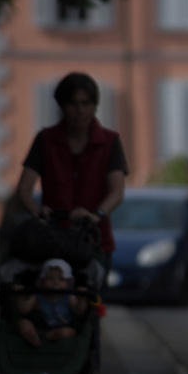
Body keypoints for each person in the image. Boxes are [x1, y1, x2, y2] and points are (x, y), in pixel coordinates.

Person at [16, 72, 128, 274]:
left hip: (93, 240)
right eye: (73, 104)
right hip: (52, 239)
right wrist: (38, 210)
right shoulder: (46, 140)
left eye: (86, 104)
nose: (80, 111)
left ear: (95, 106)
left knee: (89, 297)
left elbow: (117, 190)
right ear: (62, 106)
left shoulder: (109, 141)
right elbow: (24, 188)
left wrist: (96, 215)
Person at [12, 258, 97, 374]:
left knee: (68, 332)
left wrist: (82, 296)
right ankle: (36, 340)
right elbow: (24, 309)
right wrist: (21, 295)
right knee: (25, 325)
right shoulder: (38, 296)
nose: (55, 283)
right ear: (42, 281)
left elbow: (80, 312)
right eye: (50, 279)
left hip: (63, 335)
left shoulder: (68, 298)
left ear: (68, 282)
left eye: (60, 280)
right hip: (41, 332)